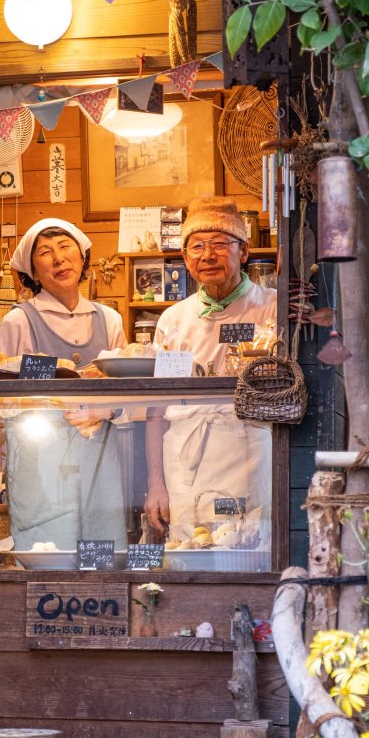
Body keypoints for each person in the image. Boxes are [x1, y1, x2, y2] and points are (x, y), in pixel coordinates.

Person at [144, 197, 276, 547]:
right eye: (197, 247)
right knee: (190, 548)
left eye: (220, 244)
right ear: (185, 259)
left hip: (249, 450)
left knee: (248, 544)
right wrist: (156, 483)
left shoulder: (273, 307)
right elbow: (155, 410)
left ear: (244, 252)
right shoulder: (173, 319)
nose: (208, 255)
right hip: (185, 457)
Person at [0, 218, 128, 551]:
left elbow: (128, 392)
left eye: (66, 247)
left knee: (103, 556)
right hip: (41, 461)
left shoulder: (109, 319)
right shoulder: (18, 320)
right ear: (33, 273)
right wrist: (38, 401)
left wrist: (105, 408)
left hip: (99, 460)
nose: (58, 258)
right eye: (45, 253)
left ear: (82, 258)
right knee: (47, 554)